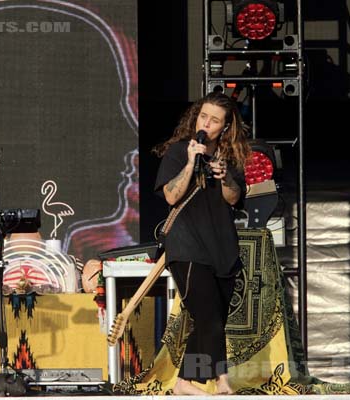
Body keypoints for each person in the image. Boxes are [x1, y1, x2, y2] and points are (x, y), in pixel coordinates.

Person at [153, 92, 251, 395]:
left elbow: (234, 199)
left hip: (221, 246)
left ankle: (186, 381)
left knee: (212, 319)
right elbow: (171, 195)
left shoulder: (228, 158)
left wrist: (225, 179)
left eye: (214, 120)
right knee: (207, 315)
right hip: (186, 246)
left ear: (225, 127)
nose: (206, 123)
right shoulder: (178, 152)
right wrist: (191, 161)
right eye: (203, 116)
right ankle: (217, 381)